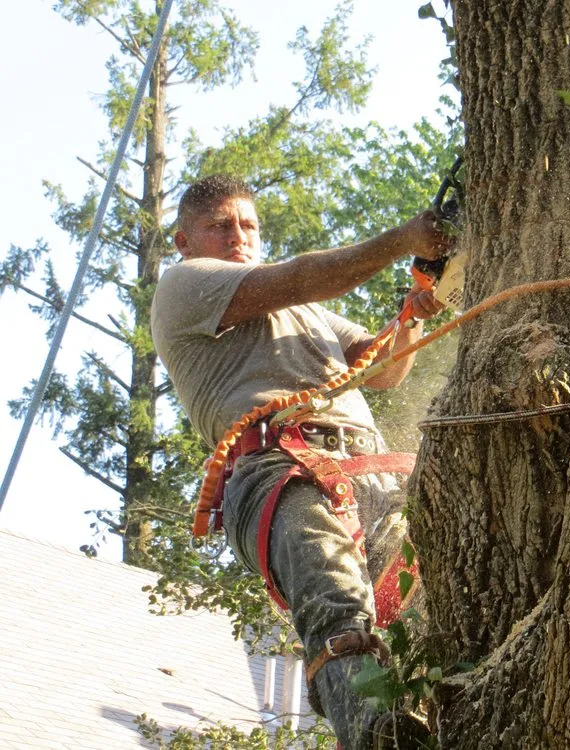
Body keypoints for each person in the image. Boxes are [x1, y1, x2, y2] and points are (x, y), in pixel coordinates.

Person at [151, 174, 452, 748]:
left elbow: (383, 367)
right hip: (277, 469)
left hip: (369, 466)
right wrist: (402, 239)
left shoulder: (308, 311)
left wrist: (413, 311)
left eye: (247, 224)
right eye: (220, 226)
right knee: (334, 593)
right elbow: (296, 276)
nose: (238, 235)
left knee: (432, 589)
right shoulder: (186, 286)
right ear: (185, 241)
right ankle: (374, 730)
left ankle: (436, 711)